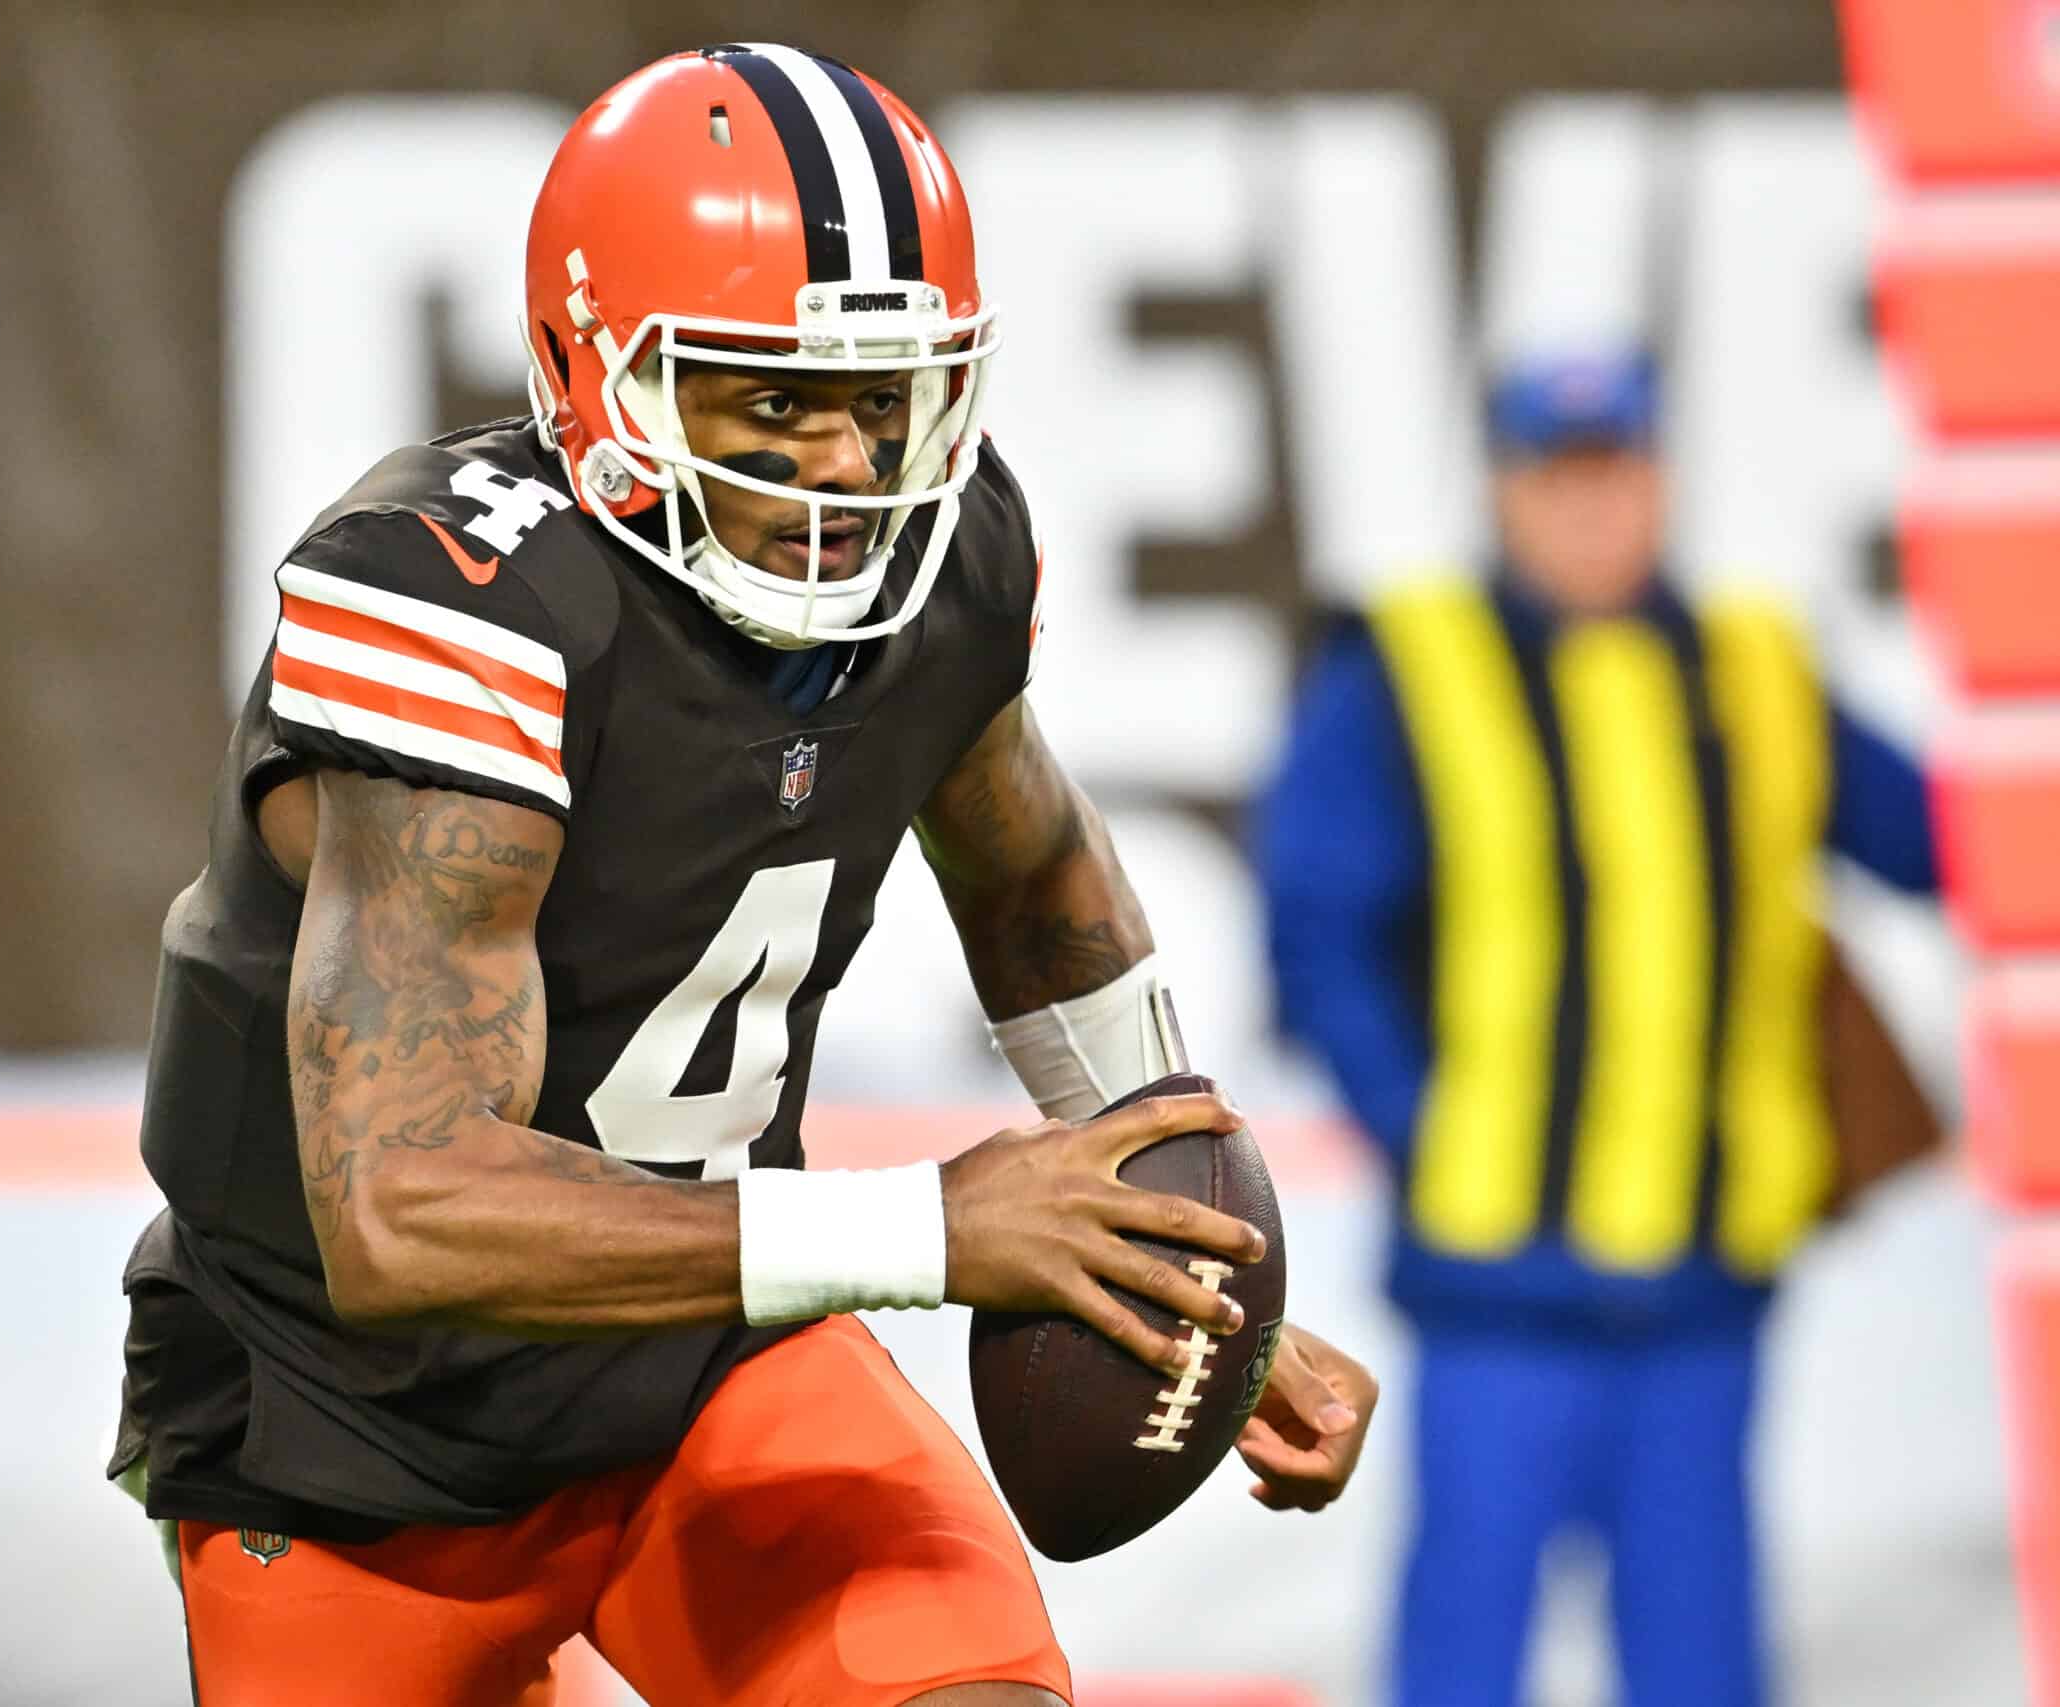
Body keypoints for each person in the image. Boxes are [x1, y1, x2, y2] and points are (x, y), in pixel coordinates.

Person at [109, 44, 1378, 1707]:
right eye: (773, 401)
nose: (849, 470)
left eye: (881, 399)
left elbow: (1035, 879)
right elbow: (406, 1210)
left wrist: (1183, 1271)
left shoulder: (940, 572)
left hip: (704, 1373)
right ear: (607, 385)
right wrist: (930, 1226)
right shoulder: (467, 604)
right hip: (349, 1439)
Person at [1252, 350, 1940, 1707]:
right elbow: (1313, 929)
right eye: (1556, 480)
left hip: (1704, 1279)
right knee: (1464, 1649)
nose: (1590, 512)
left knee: (1701, 1659)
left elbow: (1946, 837)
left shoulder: (1754, 665)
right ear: (1504, 491)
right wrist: (1423, 1122)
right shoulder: (1412, 666)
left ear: (1660, 479)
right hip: (1499, 1279)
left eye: (1614, 475)